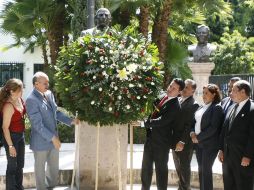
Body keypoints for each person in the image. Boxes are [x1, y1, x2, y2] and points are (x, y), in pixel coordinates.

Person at [25, 72, 79, 190]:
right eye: (45, 83)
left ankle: (51, 187)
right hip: (41, 141)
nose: (47, 85)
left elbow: (56, 113)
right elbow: (37, 125)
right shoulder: (31, 100)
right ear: (36, 84)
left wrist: (71, 121)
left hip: (54, 139)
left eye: (48, 82)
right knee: (40, 170)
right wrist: (53, 138)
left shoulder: (49, 94)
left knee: (53, 169)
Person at [141, 78, 185, 190]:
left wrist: (143, 123)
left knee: (161, 171)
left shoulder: (175, 106)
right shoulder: (162, 97)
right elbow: (152, 112)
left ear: (179, 92)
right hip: (150, 139)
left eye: (174, 88)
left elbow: (162, 121)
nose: (170, 89)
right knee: (146, 168)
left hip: (162, 144)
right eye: (170, 85)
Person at [218, 80, 254, 190]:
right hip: (228, 156)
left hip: (242, 157)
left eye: (233, 90)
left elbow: (252, 136)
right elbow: (224, 130)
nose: (230, 93)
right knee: (229, 185)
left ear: (243, 92)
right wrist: (221, 149)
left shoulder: (252, 109)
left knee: (243, 185)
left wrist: (247, 156)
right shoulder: (231, 107)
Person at [190, 84, 224, 190]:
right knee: (201, 170)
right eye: (203, 93)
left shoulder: (217, 108)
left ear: (214, 95)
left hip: (209, 145)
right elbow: (193, 122)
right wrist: (192, 133)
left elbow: (213, 128)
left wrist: (198, 138)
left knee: (206, 171)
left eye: (206, 93)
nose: (203, 95)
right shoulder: (201, 106)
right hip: (199, 144)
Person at [172, 79, 199, 190]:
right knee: (178, 167)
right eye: (184, 86)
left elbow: (189, 125)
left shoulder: (194, 104)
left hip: (184, 142)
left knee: (184, 167)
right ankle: (181, 188)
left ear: (193, 91)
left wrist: (182, 141)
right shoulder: (177, 100)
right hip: (174, 140)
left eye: (187, 88)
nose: (184, 89)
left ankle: (185, 188)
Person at [0, 78, 26, 190]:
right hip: (11, 138)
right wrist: (10, 146)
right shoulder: (8, 106)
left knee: (20, 165)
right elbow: (5, 128)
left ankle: (19, 187)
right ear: (11, 91)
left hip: (21, 136)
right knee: (12, 167)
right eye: (20, 90)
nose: (22, 92)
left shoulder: (20, 100)